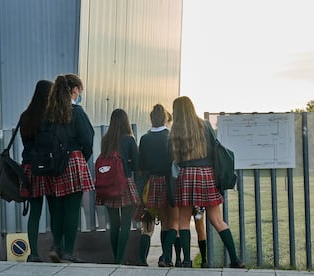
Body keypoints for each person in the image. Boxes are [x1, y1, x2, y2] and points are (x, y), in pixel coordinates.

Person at [169, 96, 244, 268]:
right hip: (206, 174)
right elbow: (214, 149)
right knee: (217, 219)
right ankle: (235, 259)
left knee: (183, 221)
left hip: (186, 175)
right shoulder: (205, 125)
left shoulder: (176, 130)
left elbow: (174, 157)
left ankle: (187, 261)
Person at [46, 74, 95, 263]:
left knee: (57, 208)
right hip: (73, 160)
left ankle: (55, 245)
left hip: (53, 164)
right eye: (80, 90)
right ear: (74, 90)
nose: (80, 94)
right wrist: (83, 158)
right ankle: (68, 251)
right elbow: (88, 140)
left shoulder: (49, 114)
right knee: (73, 208)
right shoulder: (77, 112)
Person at [95, 108, 140, 264]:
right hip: (125, 183)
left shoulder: (106, 139)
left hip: (108, 185)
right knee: (126, 223)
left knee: (114, 224)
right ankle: (120, 260)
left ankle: (116, 258)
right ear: (126, 122)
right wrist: (128, 163)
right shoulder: (129, 139)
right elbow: (137, 164)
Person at [137, 104, 178, 267]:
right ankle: (165, 257)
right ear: (165, 119)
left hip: (151, 183)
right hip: (168, 182)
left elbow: (141, 164)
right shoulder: (170, 137)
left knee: (148, 223)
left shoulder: (144, 138)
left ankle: (141, 260)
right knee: (168, 222)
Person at [19, 80, 55, 262]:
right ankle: (58, 248)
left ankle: (33, 253)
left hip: (28, 167)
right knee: (55, 208)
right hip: (46, 168)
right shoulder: (49, 116)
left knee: (34, 212)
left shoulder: (25, 116)